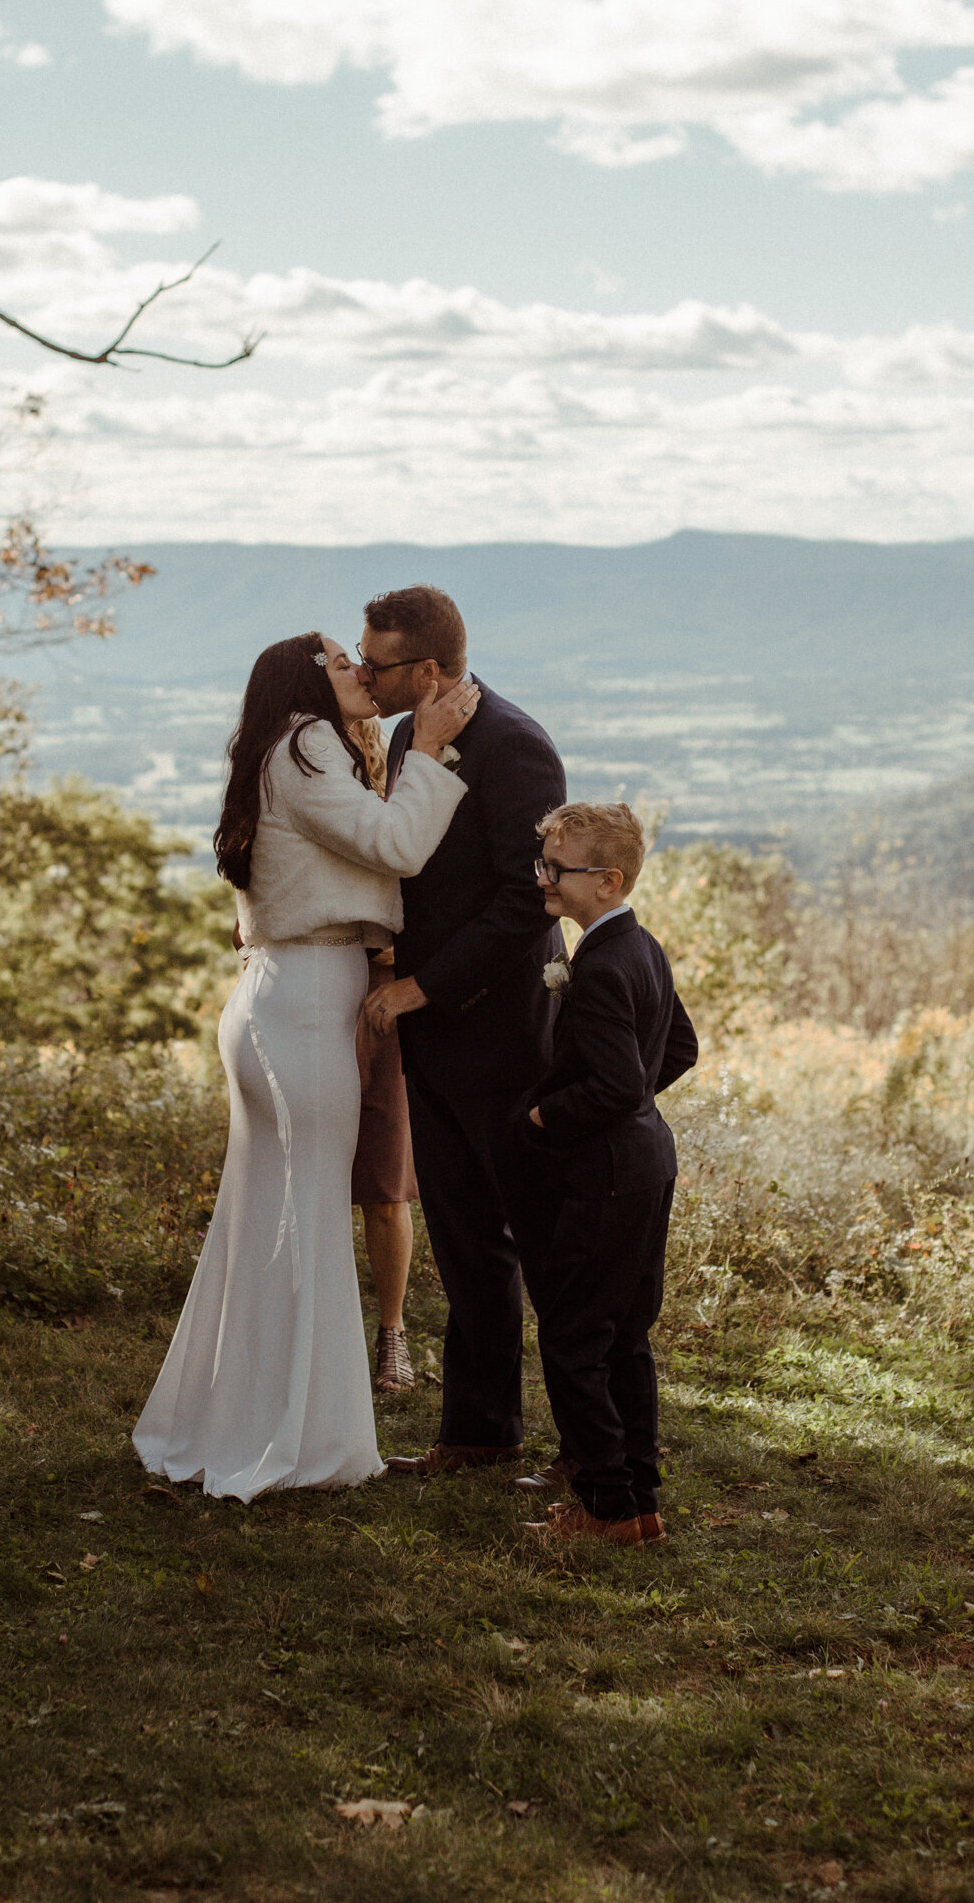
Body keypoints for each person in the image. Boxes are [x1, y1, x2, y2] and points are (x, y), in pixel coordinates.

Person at [132, 634, 475, 1501]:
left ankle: (236, 1419)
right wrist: (428, 751)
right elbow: (396, 847)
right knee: (309, 1218)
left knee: (265, 1222)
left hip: (275, 995)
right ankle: (300, 1441)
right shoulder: (307, 741)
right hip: (309, 999)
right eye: (342, 663)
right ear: (304, 684)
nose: (362, 674)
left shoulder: (273, 749)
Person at [358, 585, 566, 1476]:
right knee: (463, 1241)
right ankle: (480, 1436)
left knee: (540, 1244)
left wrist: (423, 989)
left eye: (378, 664)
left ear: (429, 669)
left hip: (504, 1032)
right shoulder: (412, 737)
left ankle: (590, 1447)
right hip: (436, 1033)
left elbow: (528, 900)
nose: (365, 677)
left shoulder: (516, 747)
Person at [513, 801, 698, 1547]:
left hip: (605, 1176)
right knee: (622, 1337)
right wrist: (630, 1112)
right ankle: (637, 1505)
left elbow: (620, 1084)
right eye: (543, 863)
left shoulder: (602, 962)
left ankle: (603, 1507)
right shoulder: (643, 947)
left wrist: (545, 1118)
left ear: (608, 880)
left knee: (572, 1337)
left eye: (557, 870)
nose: (543, 879)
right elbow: (678, 1048)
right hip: (645, 1163)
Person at [349, 715, 420, 1394]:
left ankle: (392, 1334)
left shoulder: (399, 827)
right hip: (317, 997)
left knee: (386, 1187)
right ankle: (318, 1327)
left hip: (385, 1003)